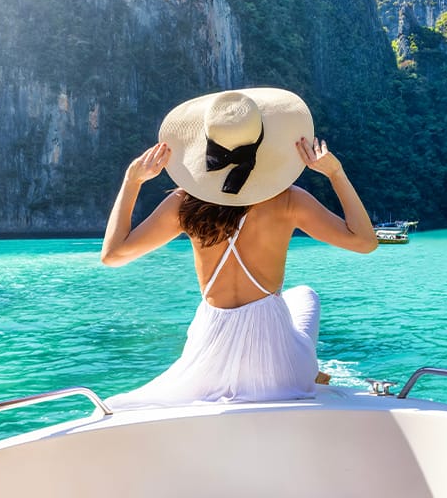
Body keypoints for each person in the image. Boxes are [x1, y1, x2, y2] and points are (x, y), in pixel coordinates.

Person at [100, 87, 377, 408]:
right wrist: (335, 173)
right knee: (305, 295)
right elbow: (365, 242)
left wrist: (131, 181)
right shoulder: (288, 201)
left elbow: (113, 255)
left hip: (207, 365)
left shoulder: (183, 205)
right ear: (263, 143)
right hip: (279, 370)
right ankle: (310, 371)